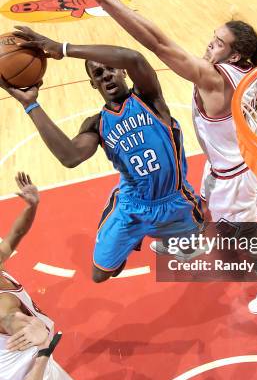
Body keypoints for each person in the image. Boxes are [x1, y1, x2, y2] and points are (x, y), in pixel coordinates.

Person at [59, 0, 257, 316]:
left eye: (219, 44)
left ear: (234, 54)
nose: (209, 46)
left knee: (244, 237)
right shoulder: (249, 72)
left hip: (232, 173)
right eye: (213, 37)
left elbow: (155, 41)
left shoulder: (212, 78)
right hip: (245, 163)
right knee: (240, 201)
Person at [1, 32, 203, 285]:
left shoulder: (148, 98)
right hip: (131, 208)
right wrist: (31, 105)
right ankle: (133, 237)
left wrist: (64, 48)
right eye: (97, 74)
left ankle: (159, 234)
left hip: (174, 201)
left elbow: (133, 57)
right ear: (93, 84)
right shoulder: (97, 124)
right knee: (101, 275)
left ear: (124, 73)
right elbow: (70, 157)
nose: (106, 74)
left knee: (193, 253)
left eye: (111, 69)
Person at [0, 173, 137, 380]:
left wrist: (31, 207)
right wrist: (36, 330)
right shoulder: (3, 308)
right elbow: (12, 321)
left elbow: (14, 237)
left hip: (16, 354)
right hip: (24, 367)